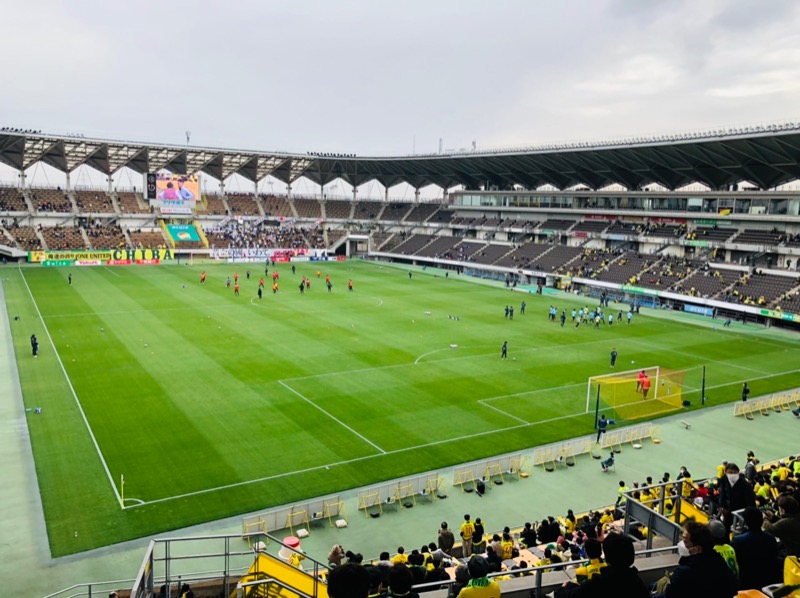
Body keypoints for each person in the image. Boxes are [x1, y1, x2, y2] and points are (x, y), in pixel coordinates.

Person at [555, 533, 648, 598]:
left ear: (607, 557)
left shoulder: (598, 583)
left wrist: (563, 589)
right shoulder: (637, 582)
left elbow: (568, 596)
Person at [660, 521, 737, 598]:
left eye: (685, 542)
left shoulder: (683, 573)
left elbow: (669, 595)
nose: (681, 544)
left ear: (698, 549)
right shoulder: (721, 563)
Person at [730, 507, 780, 590]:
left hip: (748, 583)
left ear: (745, 521)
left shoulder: (737, 541)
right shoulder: (771, 539)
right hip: (769, 582)